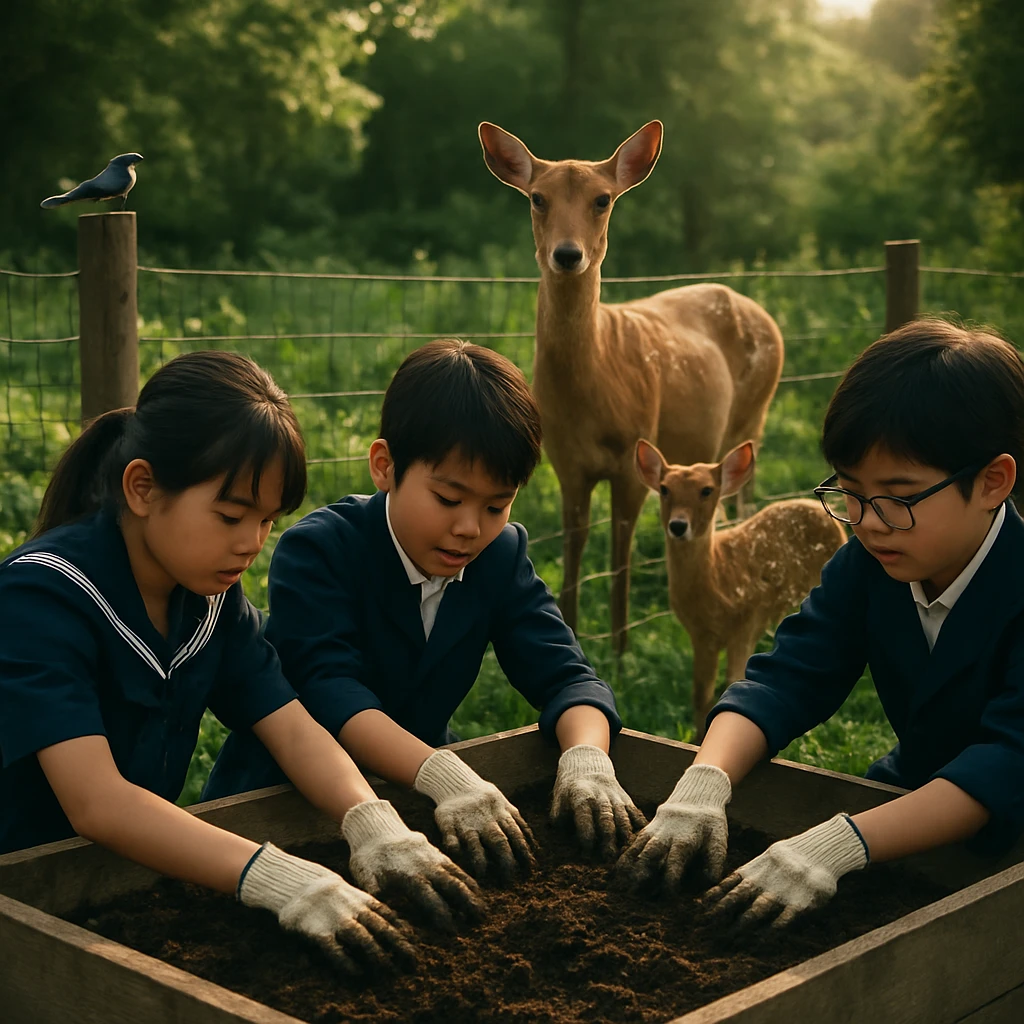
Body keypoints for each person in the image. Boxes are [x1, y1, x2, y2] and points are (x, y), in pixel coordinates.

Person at [0, 351, 482, 972]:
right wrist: (279, 879)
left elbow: (290, 723)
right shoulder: (42, 597)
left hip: (122, 880)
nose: (251, 543)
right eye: (230, 516)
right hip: (23, 888)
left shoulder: (209, 599)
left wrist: (373, 823)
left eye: (267, 521)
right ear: (143, 488)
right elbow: (98, 803)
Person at [618, 318, 1024, 928]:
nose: (867, 521)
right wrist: (704, 780)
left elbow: (1007, 759)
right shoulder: (872, 561)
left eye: (897, 496)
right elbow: (789, 676)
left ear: (992, 481)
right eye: (849, 492)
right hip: (907, 797)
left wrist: (840, 843)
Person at [205, 339, 644, 875]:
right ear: (385, 466)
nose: (469, 527)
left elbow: (567, 676)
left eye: (496, 505)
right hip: (285, 807)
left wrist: (586, 758)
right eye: (448, 499)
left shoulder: (498, 556)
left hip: (424, 798)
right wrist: (445, 777)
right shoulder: (321, 550)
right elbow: (330, 693)